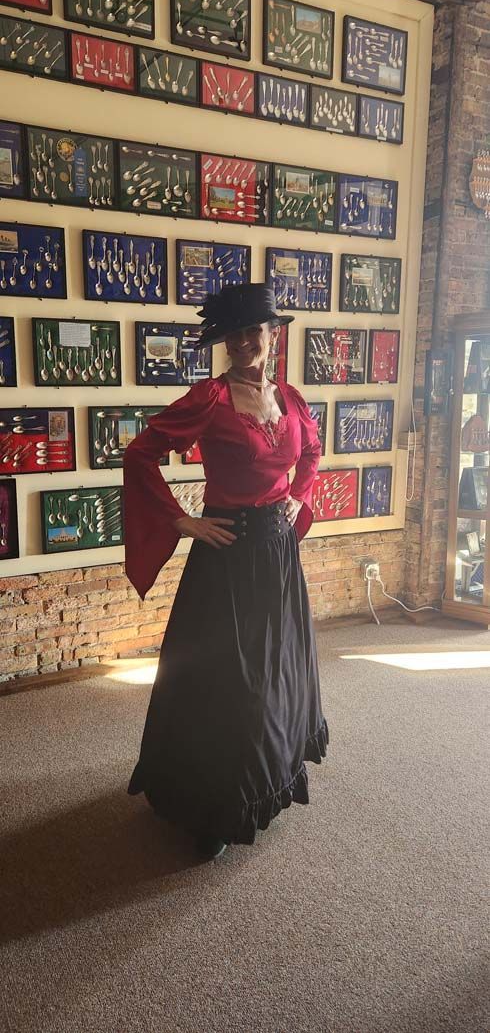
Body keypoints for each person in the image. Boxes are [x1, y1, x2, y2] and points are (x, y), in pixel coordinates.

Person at [123, 283, 328, 860]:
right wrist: (183, 522)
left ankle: (268, 777)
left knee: (274, 668)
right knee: (223, 678)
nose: (244, 342)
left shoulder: (289, 398)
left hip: (277, 548)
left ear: (271, 334)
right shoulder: (209, 399)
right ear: (225, 341)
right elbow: (139, 453)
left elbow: (311, 453)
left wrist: (298, 495)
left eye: (253, 331)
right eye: (233, 334)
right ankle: (210, 806)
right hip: (227, 549)